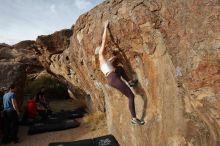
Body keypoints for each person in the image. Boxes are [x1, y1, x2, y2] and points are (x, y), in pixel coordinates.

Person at [98, 21, 144, 125]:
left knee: (119, 68)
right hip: (113, 79)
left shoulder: (105, 63)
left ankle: (130, 82)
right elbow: (104, 41)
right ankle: (134, 119)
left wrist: (114, 57)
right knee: (131, 96)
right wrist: (105, 28)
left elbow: (111, 60)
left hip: (112, 77)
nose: (103, 51)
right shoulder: (100, 56)